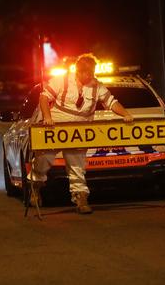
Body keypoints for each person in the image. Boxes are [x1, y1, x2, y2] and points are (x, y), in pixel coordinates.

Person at [28, 53, 134, 214]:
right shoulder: (61, 80)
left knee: (77, 165)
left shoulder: (96, 85)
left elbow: (110, 102)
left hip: (79, 130)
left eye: (92, 72)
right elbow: (44, 97)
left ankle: (81, 198)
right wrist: (47, 117)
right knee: (44, 159)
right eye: (87, 73)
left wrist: (125, 114)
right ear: (78, 71)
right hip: (55, 128)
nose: (90, 76)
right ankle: (35, 188)